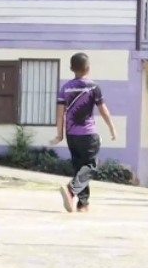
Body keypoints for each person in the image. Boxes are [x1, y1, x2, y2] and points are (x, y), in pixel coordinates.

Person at [49, 52, 116, 213]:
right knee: (91, 167)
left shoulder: (65, 88)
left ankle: (83, 204)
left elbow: (59, 113)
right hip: (88, 134)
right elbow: (103, 109)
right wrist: (111, 127)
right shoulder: (93, 87)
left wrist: (60, 135)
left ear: (72, 68)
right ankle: (71, 190)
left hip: (71, 135)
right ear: (88, 68)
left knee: (80, 168)